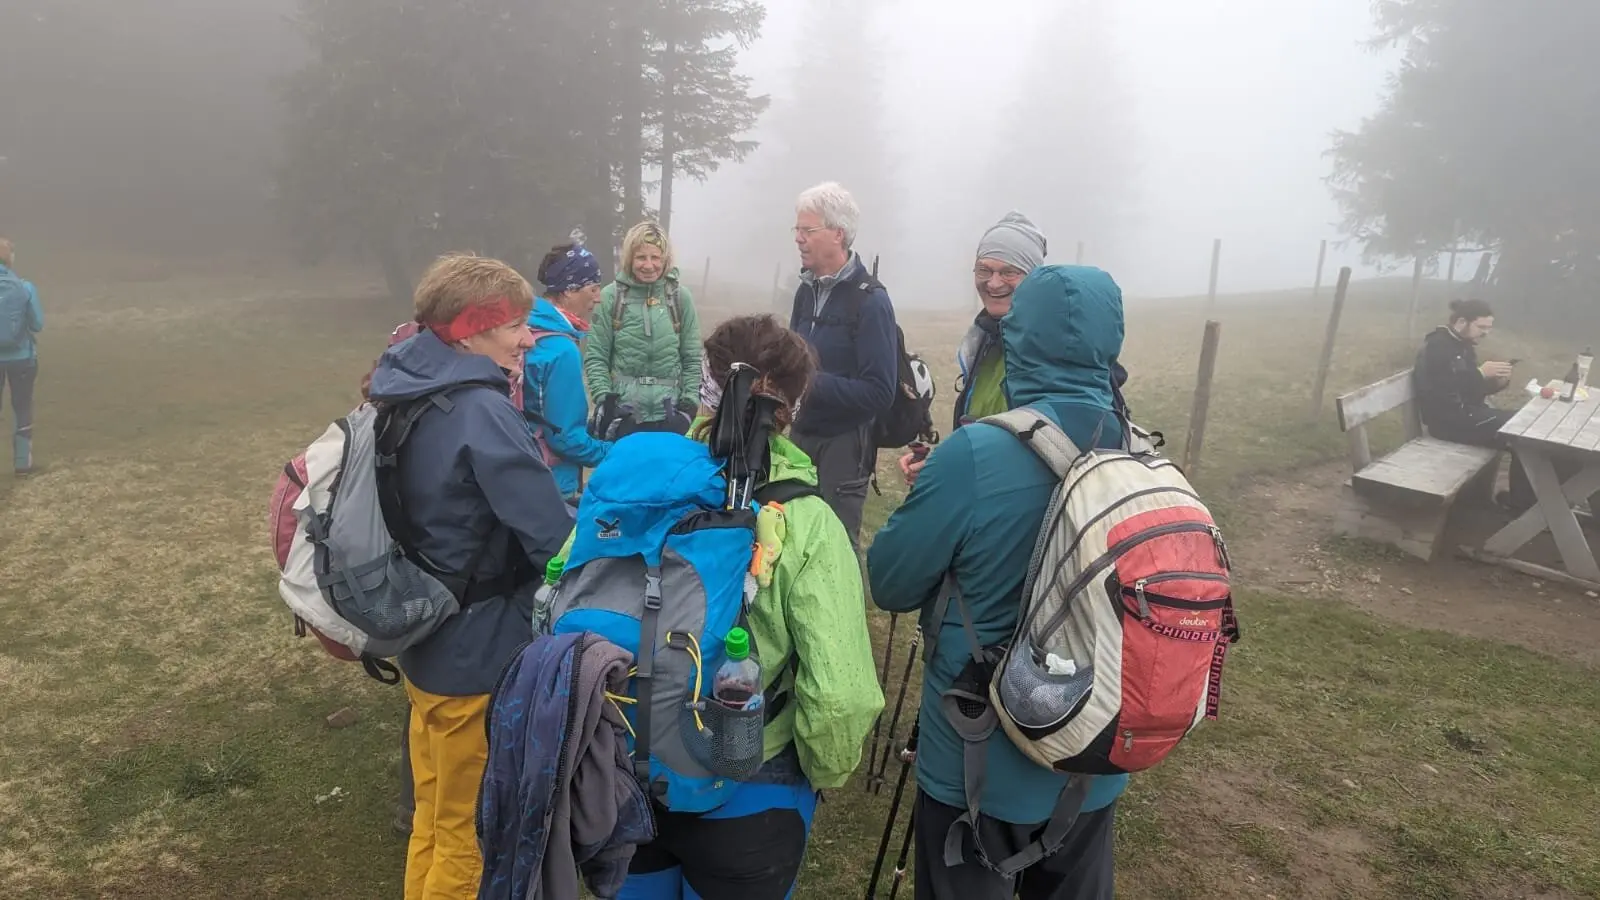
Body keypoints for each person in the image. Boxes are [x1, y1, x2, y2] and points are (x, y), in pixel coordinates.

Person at [867, 265, 1133, 900]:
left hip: (975, 760)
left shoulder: (974, 454)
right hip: (1094, 755)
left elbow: (891, 582)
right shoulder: (1138, 456)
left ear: (1019, 340)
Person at [619, 315, 885, 900]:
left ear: (707, 388)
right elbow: (841, 694)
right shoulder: (807, 521)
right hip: (752, 781)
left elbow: (563, 581)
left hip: (625, 764)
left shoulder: (634, 486)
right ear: (795, 403)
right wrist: (823, 770)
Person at [365, 252, 575, 900]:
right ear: (474, 327)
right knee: (466, 834)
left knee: (432, 818)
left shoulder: (403, 391)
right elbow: (552, 540)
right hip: (477, 654)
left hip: (426, 643)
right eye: (516, 323)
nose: (529, 336)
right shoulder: (479, 412)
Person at [787, 181, 899, 545]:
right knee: (793, 536)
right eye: (797, 230)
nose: (799, 239)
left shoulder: (871, 302)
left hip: (845, 446)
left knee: (834, 545)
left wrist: (808, 381)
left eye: (808, 230)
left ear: (838, 234)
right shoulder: (805, 292)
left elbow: (881, 392)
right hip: (800, 436)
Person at [584, 221, 702, 438]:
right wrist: (606, 400)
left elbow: (692, 358)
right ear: (629, 259)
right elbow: (596, 357)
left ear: (665, 259)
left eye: (655, 257)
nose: (649, 265)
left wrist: (688, 408)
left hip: (670, 415)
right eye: (641, 257)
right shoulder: (611, 297)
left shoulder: (679, 298)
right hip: (624, 415)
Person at [1414, 299, 1531, 509]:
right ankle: (1525, 506)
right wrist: (1480, 373)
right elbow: (1441, 389)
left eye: (1489, 328)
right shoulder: (1438, 346)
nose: (1485, 333)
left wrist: (1496, 383)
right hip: (1448, 423)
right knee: (1525, 432)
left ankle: (1524, 503)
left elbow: (1468, 388)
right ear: (1461, 321)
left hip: (1466, 415)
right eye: (1482, 327)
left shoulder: (1463, 346)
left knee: (1526, 428)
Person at [525, 242, 612, 502]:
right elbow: (565, 439)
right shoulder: (561, 349)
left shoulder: (525, 328)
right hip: (551, 483)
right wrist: (616, 451)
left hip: (519, 471)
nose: (598, 298)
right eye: (593, 288)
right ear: (568, 290)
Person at [0, 239, 43, 475]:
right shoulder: (25, 287)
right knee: (22, 407)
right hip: (22, 357)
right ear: (11, 258)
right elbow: (38, 324)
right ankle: (22, 464)